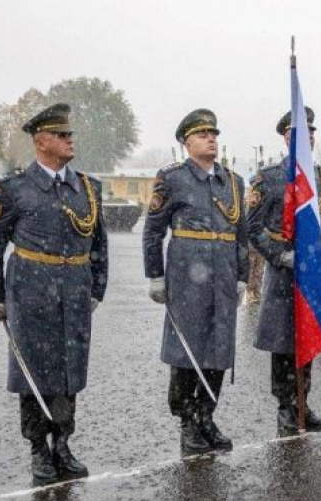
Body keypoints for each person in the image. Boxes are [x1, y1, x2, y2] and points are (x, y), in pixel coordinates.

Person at [0, 103, 108, 485]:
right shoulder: (13, 188)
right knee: (33, 371)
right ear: (41, 141)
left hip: (75, 291)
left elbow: (99, 244)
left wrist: (97, 288)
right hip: (31, 291)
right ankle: (38, 448)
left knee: (69, 370)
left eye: (70, 134)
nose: (70, 140)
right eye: (61, 135)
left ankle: (62, 444)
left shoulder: (88, 187)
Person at [142, 109, 248, 454]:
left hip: (224, 277)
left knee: (219, 349)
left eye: (214, 134)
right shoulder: (172, 179)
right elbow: (153, 231)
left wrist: (242, 276)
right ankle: (187, 420)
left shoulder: (233, 182)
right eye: (203, 135)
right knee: (186, 350)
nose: (211, 139)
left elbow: (241, 234)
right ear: (186, 143)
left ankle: (207, 415)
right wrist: (155, 275)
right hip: (188, 278)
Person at [246, 106, 321, 435]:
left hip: (312, 272)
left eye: (311, 131)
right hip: (282, 272)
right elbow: (252, 227)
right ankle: (285, 406)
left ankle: (303, 402)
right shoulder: (270, 178)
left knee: (308, 338)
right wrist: (280, 255)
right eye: (300, 132)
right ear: (286, 138)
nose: (308, 136)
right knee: (284, 341)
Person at [245, 173, 266, 304]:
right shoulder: (249, 198)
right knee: (251, 267)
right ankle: (250, 293)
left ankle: (257, 291)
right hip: (251, 240)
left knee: (259, 268)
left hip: (261, 240)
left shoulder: (264, 198)